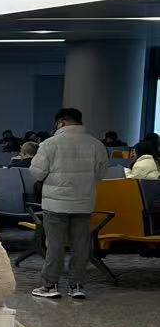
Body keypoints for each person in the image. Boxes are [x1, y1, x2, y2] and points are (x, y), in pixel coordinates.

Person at [30, 106, 108, 300]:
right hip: (83, 203)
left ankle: (50, 285)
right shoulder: (96, 144)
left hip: (55, 204)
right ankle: (77, 286)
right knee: (81, 246)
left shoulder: (49, 144)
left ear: (61, 122)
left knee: (55, 245)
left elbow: (37, 172)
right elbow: (101, 173)